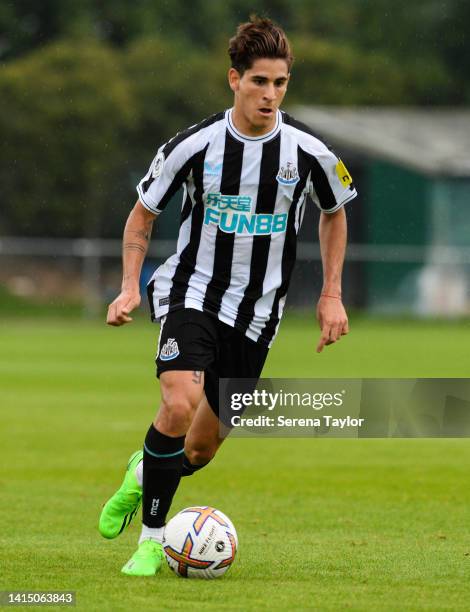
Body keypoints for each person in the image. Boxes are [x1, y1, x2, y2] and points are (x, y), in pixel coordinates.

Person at [99, 15, 357, 576]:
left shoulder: (308, 152)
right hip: (191, 292)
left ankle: (141, 473)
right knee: (178, 402)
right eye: (259, 81)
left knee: (199, 449)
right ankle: (151, 539)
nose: (270, 95)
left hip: (259, 315)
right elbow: (143, 214)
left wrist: (331, 294)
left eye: (280, 83)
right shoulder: (195, 145)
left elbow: (335, 213)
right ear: (233, 79)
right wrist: (128, 287)